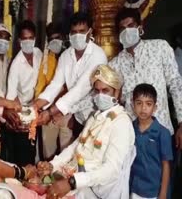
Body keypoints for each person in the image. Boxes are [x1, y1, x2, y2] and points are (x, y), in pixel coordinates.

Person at [37, 65, 135, 199]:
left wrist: (73, 182)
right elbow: (75, 147)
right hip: (73, 178)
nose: (100, 95)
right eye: (97, 91)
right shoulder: (95, 116)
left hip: (95, 190)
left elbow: (111, 170)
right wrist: (52, 165)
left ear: (117, 92)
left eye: (105, 91)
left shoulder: (121, 123)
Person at [109, 8, 182, 150]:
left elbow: (175, 84)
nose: (127, 31)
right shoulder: (115, 64)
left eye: (131, 26)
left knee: (166, 171)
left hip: (162, 131)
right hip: (132, 136)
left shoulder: (159, 48)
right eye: (122, 28)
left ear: (139, 27)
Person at [33, 12, 107, 135]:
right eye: (74, 32)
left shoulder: (98, 55)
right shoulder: (65, 56)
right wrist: (36, 105)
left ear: (90, 32)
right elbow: (55, 85)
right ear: (69, 34)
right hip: (78, 117)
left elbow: (80, 89)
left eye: (82, 31)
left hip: (96, 116)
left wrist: (50, 112)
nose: (78, 35)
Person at [5, 20, 43, 165]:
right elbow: (11, 95)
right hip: (22, 111)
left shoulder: (39, 54)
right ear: (19, 40)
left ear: (35, 39)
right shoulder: (16, 64)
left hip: (37, 107)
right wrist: (23, 116)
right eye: (24, 39)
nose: (28, 42)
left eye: (31, 38)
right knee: (23, 156)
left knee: (34, 150)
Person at [34, 22, 73, 160]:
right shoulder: (46, 59)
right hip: (48, 112)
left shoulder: (72, 57)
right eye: (51, 39)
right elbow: (41, 86)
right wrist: (40, 108)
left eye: (57, 37)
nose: (54, 42)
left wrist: (59, 110)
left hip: (68, 113)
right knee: (47, 154)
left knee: (67, 154)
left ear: (64, 37)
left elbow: (74, 90)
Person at [130, 83, 173, 199]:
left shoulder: (163, 133)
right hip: (133, 188)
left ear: (155, 107)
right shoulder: (129, 129)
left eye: (148, 104)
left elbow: (166, 165)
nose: (143, 108)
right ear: (133, 105)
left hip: (153, 192)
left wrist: (163, 193)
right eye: (139, 103)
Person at [0, 23, 11, 96]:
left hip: (6, 100)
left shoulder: (9, 60)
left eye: (6, 38)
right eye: (0, 37)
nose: (3, 41)